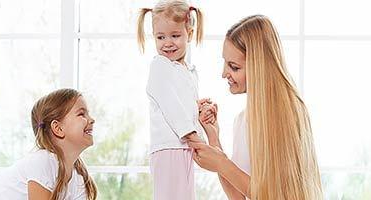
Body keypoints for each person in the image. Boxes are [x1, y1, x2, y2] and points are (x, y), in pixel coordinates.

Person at [190, 15, 323, 200]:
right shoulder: (242, 120)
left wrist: (222, 163)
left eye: (234, 67)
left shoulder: (290, 115)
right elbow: (238, 196)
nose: (223, 73)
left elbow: (274, 195)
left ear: (258, 67)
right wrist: (214, 137)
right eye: (225, 63)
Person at [136, 0, 211, 199]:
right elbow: (172, 106)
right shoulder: (160, 66)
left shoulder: (187, 71)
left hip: (183, 146)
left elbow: (183, 106)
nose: (167, 43)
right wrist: (196, 138)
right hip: (170, 147)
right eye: (161, 37)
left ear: (190, 34)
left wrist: (199, 109)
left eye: (175, 36)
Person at [0, 88, 97, 200]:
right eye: (81, 114)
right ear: (58, 128)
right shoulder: (43, 161)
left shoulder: (78, 178)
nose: (92, 120)